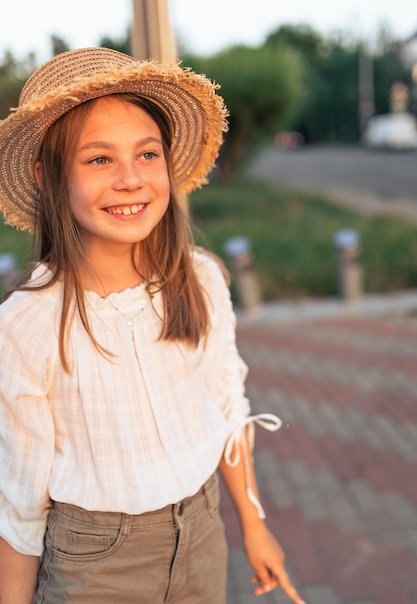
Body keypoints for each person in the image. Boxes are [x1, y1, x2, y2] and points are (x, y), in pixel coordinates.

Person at [0, 47, 305, 604]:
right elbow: (18, 499)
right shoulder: (26, 323)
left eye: (147, 153)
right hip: (96, 566)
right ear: (47, 178)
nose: (130, 179)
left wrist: (254, 524)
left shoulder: (202, 280)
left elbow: (227, 406)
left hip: (203, 535)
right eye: (98, 160)